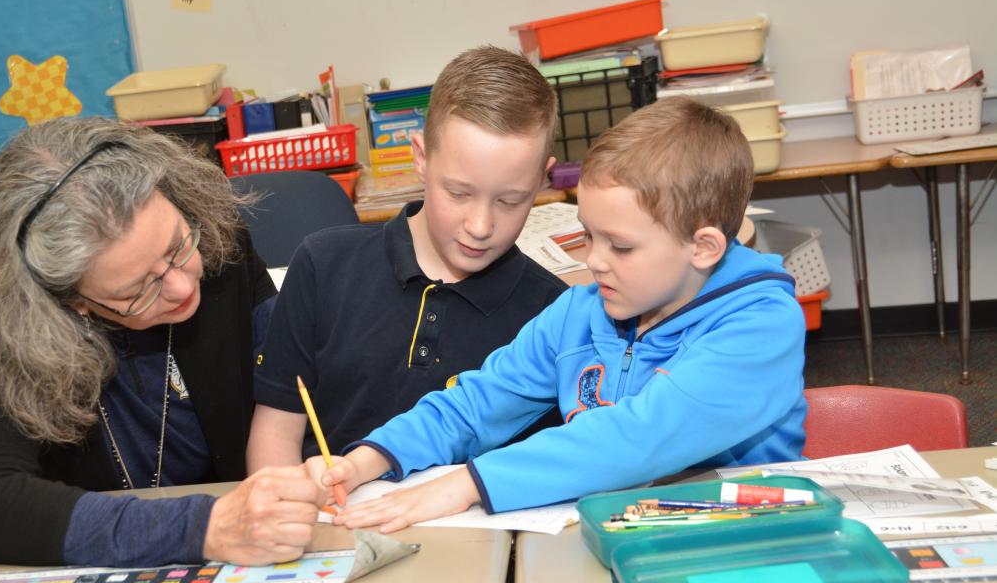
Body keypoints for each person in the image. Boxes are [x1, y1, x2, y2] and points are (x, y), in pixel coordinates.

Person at [315, 96, 807, 532]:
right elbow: (478, 402)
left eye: (620, 245)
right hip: (612, 536)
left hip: (742, 547)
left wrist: (470, 482)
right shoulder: (581, 310)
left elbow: (639, 438)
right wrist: (369, 458)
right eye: (589, 235)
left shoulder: (762, 327)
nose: (593, 260)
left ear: (702, 247)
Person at [0, 117, 326, 567]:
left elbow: (291, 387)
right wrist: (203, 528)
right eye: (137, 290)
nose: (182, 287)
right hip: (29, 571)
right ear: (67, 300)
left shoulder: (217, 240)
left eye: (178, 247)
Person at [247, 45, 567, 470]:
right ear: (420, 158)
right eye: (458, 193)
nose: (480, 225)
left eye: (511, 200)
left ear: (543, 176)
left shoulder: (555, 314)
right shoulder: (324, 266)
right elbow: (275, 434)